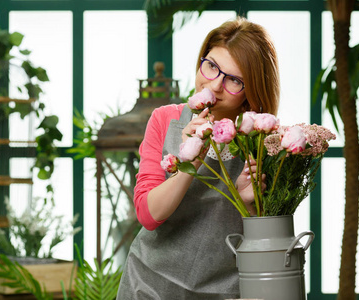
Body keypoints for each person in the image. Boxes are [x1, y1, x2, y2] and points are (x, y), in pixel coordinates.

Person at [117, 16, 280, 299]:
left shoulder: (265, 141)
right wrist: (189, 163)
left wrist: (247, 207)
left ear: (250, 93)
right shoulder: (164, 119)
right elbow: (148, 214)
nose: (215, 85)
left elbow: (273, 245)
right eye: (212, 66)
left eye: (234, 80)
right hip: (150, 285)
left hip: (227, 290)